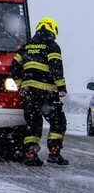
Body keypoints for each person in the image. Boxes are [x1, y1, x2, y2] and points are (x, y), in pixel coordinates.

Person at [11, 17, 69, 166]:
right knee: (58, 122)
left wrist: (20, 86)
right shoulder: (52, 46)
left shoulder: (26, 47)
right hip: (48, 93)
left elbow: (14, 66)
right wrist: (61, 87)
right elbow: (56, 67)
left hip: (30, 94)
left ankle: (31, 155)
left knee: (33, 124)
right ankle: (54, 153)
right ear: (52, 30)